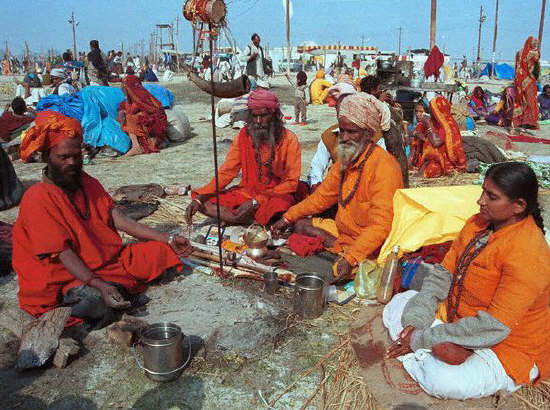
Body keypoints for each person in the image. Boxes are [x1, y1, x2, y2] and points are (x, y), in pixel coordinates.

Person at [384, 162, 550, 399]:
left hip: (506, 345)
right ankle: (434, 346)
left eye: (491, 196)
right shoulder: (477, 224)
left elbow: (493, 326)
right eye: (483, 191)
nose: (480, 201)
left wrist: (421, 338)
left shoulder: (529, 253)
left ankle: (430, 348)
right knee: (400, 304)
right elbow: (443, 273)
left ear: (519, 206)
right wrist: (417, 320)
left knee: (445, 382)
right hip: (457, 320)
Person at [13, 112, 192, 325]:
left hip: (105, 261)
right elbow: (64, 253)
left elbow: (120, 220)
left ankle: (115, 289)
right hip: (65, 276)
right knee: (96, 302)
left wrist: (168, 239)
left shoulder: (86, 181)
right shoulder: (37, 198)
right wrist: (98, 284)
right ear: (46, 158)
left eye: (76, 156)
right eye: (63, 157)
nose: (72, 162)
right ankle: (110, 292)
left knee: (162, 251)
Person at [272, 93, 403, 284]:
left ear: (368, 134)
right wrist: (286, 217)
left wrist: (351, 258)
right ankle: (342, 254)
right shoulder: (346, 159)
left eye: (352, 132)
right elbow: (322, 198)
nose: (345, 137)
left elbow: (381, 226)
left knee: (337, 269)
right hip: (343, 235)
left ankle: (348, 258)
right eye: (342, 130)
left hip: (370, 244)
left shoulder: (385, 167)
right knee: (300, 225)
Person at [186, 89, 301, 226]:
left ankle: (236, 218)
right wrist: (199, 199)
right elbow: (227, 171)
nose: (258, 121)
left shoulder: (289, 139)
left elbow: (291, 183)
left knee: (280, 207)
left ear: (274, 115)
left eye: (263, 116)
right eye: (254, 116)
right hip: (246, 193)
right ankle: (248, 219)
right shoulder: (243, 135)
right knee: (204, 204)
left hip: (274, 195)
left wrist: (256, 201)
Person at [361, 75, 409, 187]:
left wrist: (391, 103)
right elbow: (377, 123)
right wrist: (380, 101)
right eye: (378, 89)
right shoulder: (365, 102)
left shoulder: (380, 103)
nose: (381, 91)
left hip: (395, 148)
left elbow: (399, 119)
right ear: (372, 90)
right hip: (382, 148)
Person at [409, 97, 466, 178]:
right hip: (431, 158)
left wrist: (428, 123)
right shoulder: (434, 122)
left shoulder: (448, 125)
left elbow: (436, 143)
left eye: (432, 109)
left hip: (444, 161)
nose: (431, 112)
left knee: (429, 170)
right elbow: (417, 135)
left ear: (438, 110)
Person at [117, 74, 168, 157]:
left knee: (130, 118)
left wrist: (124, 112)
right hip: (156, 127)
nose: (123, 89)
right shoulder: (142, 94)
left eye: (124, 87)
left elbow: (131, 111)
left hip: (154, 126)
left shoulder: (139, 98)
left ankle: (136, 146)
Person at [512, 36, 540, 129]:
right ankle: (529, 122)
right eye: (534, 42)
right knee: (530, 101)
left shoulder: (519, 52)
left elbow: (517, 67)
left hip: (519, 80)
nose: (536, 44)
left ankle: (519, 121)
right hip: (529, 81)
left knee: (520, 100)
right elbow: (536, 64)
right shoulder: (533, 53)